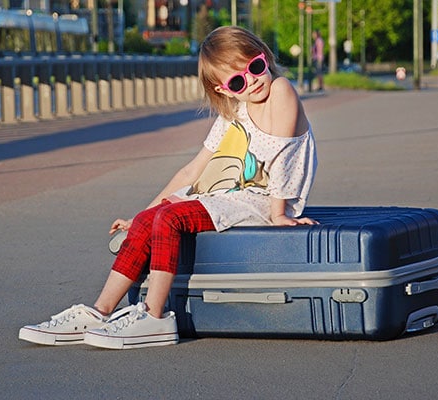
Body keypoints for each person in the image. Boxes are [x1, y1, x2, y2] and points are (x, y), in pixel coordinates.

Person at [18, 26, 318, 350]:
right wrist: (143, 214)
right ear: (225, 89)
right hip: (226, 196)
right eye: (237, 80)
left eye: (256, 66)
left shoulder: (281, 90)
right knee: (153, 219)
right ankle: (99, 311)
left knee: (171, 218)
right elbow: (192, 170)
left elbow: (284, 153)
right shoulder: (234, 114)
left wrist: (279, 214)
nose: (254, 79)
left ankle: (154, 316)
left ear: (265, 56)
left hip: (261, 201)